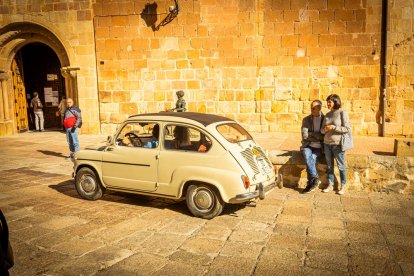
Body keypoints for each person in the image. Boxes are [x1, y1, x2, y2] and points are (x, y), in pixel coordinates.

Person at [321, 94, 351, 195]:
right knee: (329, 166)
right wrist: (324, 129)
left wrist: (334, 127)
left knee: (341, 166)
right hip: (327, 143)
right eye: (327, 102)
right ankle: (330, 184)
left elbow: (347, 129)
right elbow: (322, 130)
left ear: (335, 102)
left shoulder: (342, 113)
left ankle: (343, 185)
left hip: (337, 144)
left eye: (329, 102)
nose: (328, 104)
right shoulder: (327, 115)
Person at [301, 100, 325, 193]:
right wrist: (318, 136)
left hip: (320, 147)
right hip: (308, 145)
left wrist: (313, 135)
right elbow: (305, 136)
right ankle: (315, 179)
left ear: (319, 108)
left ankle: (310, 183)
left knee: (312, 159)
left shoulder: (325, 119)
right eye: (311, 107)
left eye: (314, 108)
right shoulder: (306, 119)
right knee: (307, 156)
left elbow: (325, 136)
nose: (312, 109)